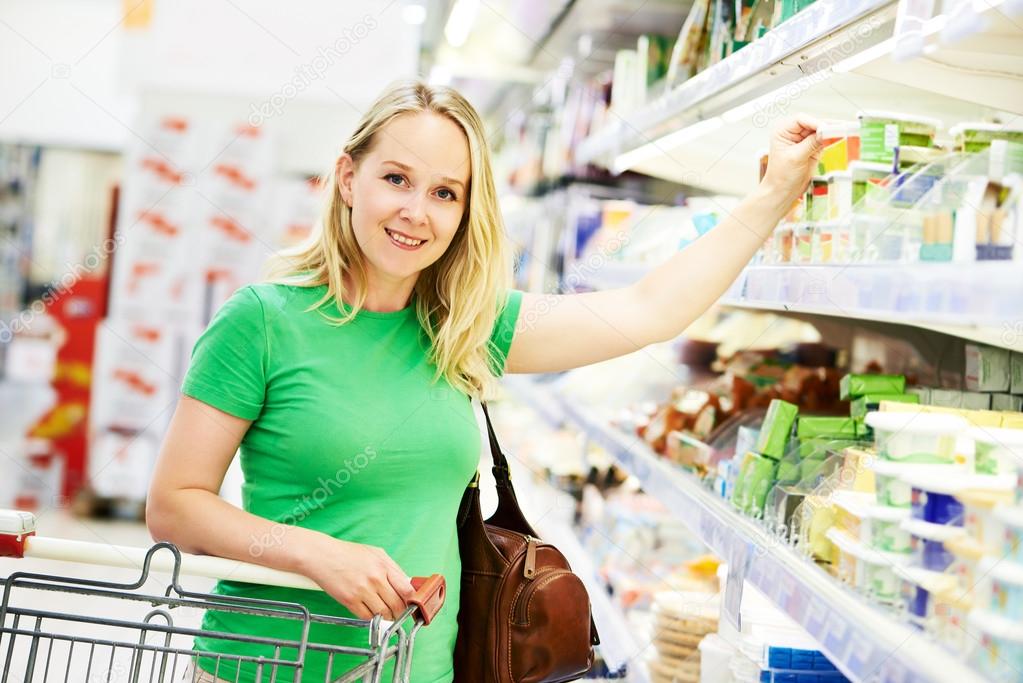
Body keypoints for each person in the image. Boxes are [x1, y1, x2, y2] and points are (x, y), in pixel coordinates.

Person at [146, 79, 821, 682]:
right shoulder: (263, 321)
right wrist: (317, 554)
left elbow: (645, 310)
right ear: (348, 178)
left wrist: (767, 198)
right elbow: (175, 504)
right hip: (270, 664)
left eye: (445, 193)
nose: (416, 210)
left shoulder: (464, 326)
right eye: (396, 179)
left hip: (418, 666)